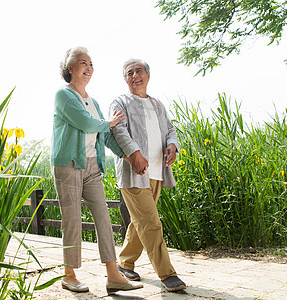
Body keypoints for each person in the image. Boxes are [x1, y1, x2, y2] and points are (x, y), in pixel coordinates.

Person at [51, 47, 143, 295]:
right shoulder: (64, 96)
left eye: (91, 63)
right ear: (71, 68)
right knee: (72, 219)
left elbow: (105, 134)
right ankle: (69, 275)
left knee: (103, 216)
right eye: (83, 63)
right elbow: (84, 122)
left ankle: (113, 275)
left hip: (93, 166)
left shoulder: (94, 102)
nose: (89, 67)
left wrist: (128, 155)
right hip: (67, 164)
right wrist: (109, 122)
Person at [109, 59, 187, 292]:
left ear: (148, 74)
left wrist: (173, 145)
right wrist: (134, 154)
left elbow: (170, 130)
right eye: (129, 73)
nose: (134, 76)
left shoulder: (157, 105)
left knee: (139, 222)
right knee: (151, 223)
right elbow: (117, 130)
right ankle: (167, 274)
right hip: (133, 172)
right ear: (126, 79)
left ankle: (125, 263)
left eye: (138, 71)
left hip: (157, 172)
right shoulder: (120, 101)